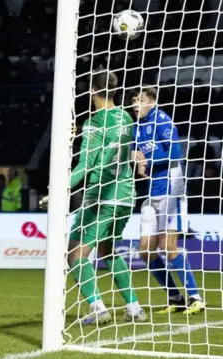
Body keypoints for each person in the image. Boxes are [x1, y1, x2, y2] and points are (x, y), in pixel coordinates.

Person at [42, 67, 145, 325]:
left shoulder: (94, 122)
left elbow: (85, 164)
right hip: (125, 197)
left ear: (92, 91)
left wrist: (60, 189)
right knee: (108, 251)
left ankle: (98, 308)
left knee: (75, 255)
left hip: (101, 197)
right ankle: (133, 307)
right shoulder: (126, 118)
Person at [132, 86, 204, 315]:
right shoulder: (137, 127)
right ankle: (175, 298)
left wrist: (147, 162)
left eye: (140, 100)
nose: (136, 104)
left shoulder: (161, 120)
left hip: (172, 187)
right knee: (145, 250)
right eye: (134, 100)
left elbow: (174, 153)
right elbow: (135, 154)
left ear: (152, 102)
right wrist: (133, 158)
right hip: (152, 191)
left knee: (168, 245)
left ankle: (196, 297)